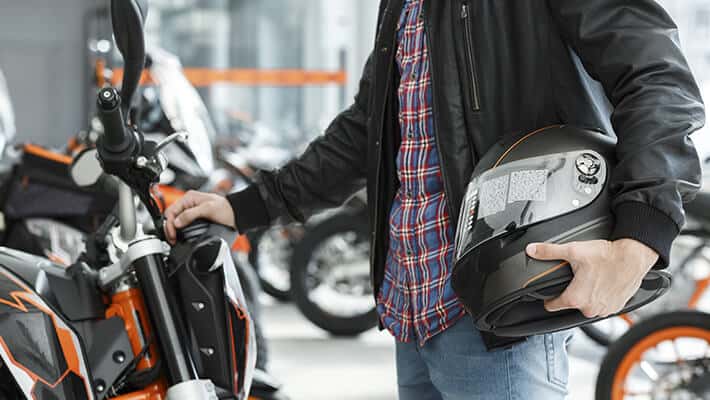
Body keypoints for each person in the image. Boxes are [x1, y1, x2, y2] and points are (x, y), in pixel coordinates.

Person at [164, 1, 705, 398]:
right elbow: (369, 129)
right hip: (414, 309)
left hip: (501, 309)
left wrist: (639, 238)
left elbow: (658, 79)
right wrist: (248, 206)